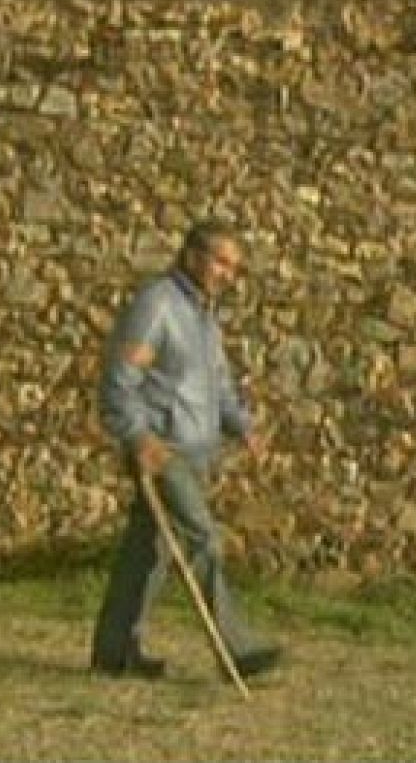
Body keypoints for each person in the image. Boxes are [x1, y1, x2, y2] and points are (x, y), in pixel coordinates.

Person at [90, 219, 282, 681]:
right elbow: (118, 384)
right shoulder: (156, 306)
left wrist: (243, 426)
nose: (227, 275)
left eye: (234, 268)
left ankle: (115, 652)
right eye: (220, 262)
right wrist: (138, 438)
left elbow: (217, 386)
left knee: (147, 554)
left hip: (196, 452)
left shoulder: (203, 315)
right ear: (192, 255)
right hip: (162, 449)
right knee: (203, 539)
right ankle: (235, 648)